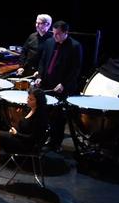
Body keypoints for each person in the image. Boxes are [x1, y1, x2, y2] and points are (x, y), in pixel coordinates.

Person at [0, 88, 49, 183]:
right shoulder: (29, 109)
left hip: (26, 146)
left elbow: (32, 138)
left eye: (31, 99)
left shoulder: (40, 117)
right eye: (28, 98)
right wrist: (17, 119)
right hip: (19, 139)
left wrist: (16, 134)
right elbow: (23, 128)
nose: (27, 100)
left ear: (38, 102)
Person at [35, 20, 83, 151]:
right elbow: (43, 61)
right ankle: (43, 138)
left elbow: (75, 70)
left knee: (58, 117)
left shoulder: (75, 46)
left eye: (58, 34)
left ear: (65, 33)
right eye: (53, 33)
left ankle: (56, 143)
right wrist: (39, 76)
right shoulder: (50, 42)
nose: (54, 36)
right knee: (44, 113)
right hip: (47, 83)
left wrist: (64, 84)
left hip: (62, 86)